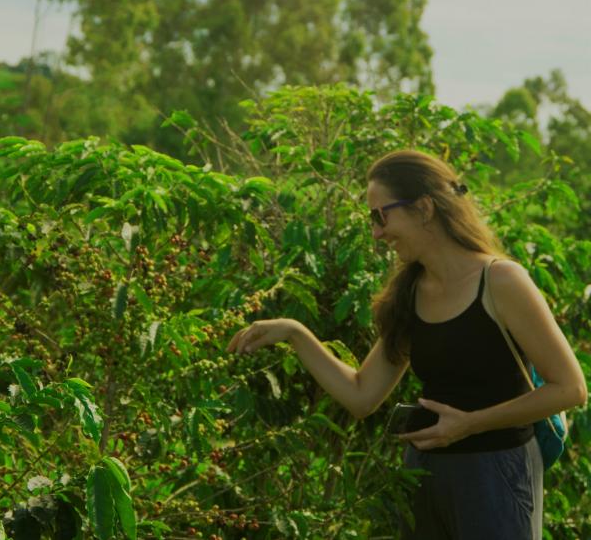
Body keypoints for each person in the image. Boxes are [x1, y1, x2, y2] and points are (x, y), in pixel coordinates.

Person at [226, 149, 587, 539]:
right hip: (424, 476)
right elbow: (362, 395)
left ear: (425, 208)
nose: (377, 233)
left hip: (497, 473)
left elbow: (569, 389)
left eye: (381, 216)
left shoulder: (501, 281)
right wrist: (295, 333)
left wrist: (469, 425)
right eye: (371, 219)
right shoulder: (410, 293)